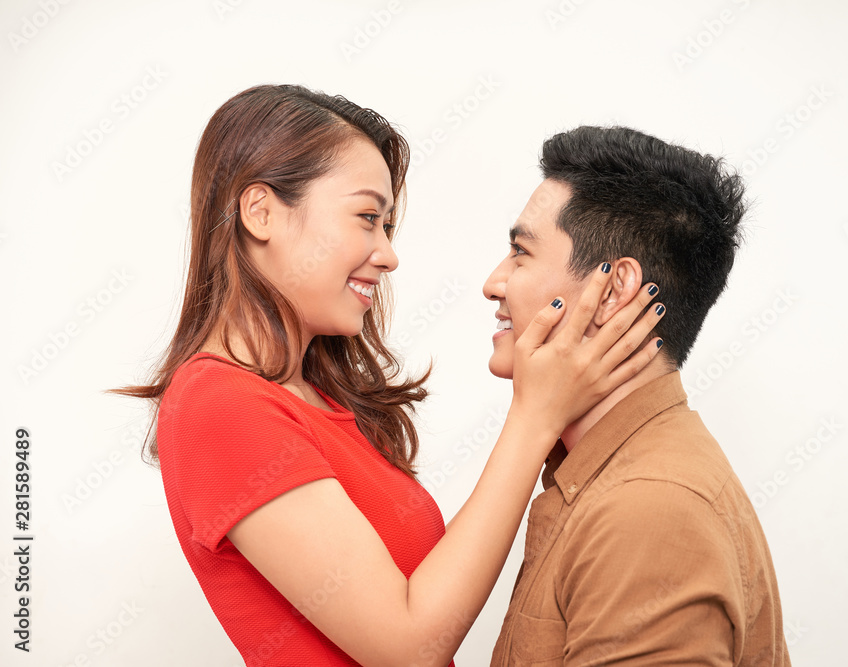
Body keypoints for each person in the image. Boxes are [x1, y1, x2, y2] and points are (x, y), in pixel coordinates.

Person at [111, 85, 665, 666]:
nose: (387, 254)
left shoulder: (313, 399)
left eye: (387, 228)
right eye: (366, 218)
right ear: (262, 213)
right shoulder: (218, 403)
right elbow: (408, 645)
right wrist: (534, 417)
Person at [483, 126, 791, 666]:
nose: (494, 282)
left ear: (613, 290)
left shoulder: (650, 509)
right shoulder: (613, 476)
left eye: (519, 253)